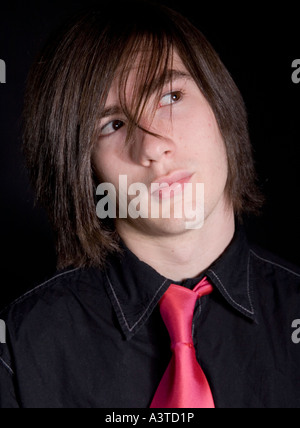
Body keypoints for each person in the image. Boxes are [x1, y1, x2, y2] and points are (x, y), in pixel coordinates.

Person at [1, 0, 300, 408]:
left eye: (171, 97)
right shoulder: (19, 346)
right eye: (113, 125)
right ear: (84, 168)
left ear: (220, 104)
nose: (153, 146)